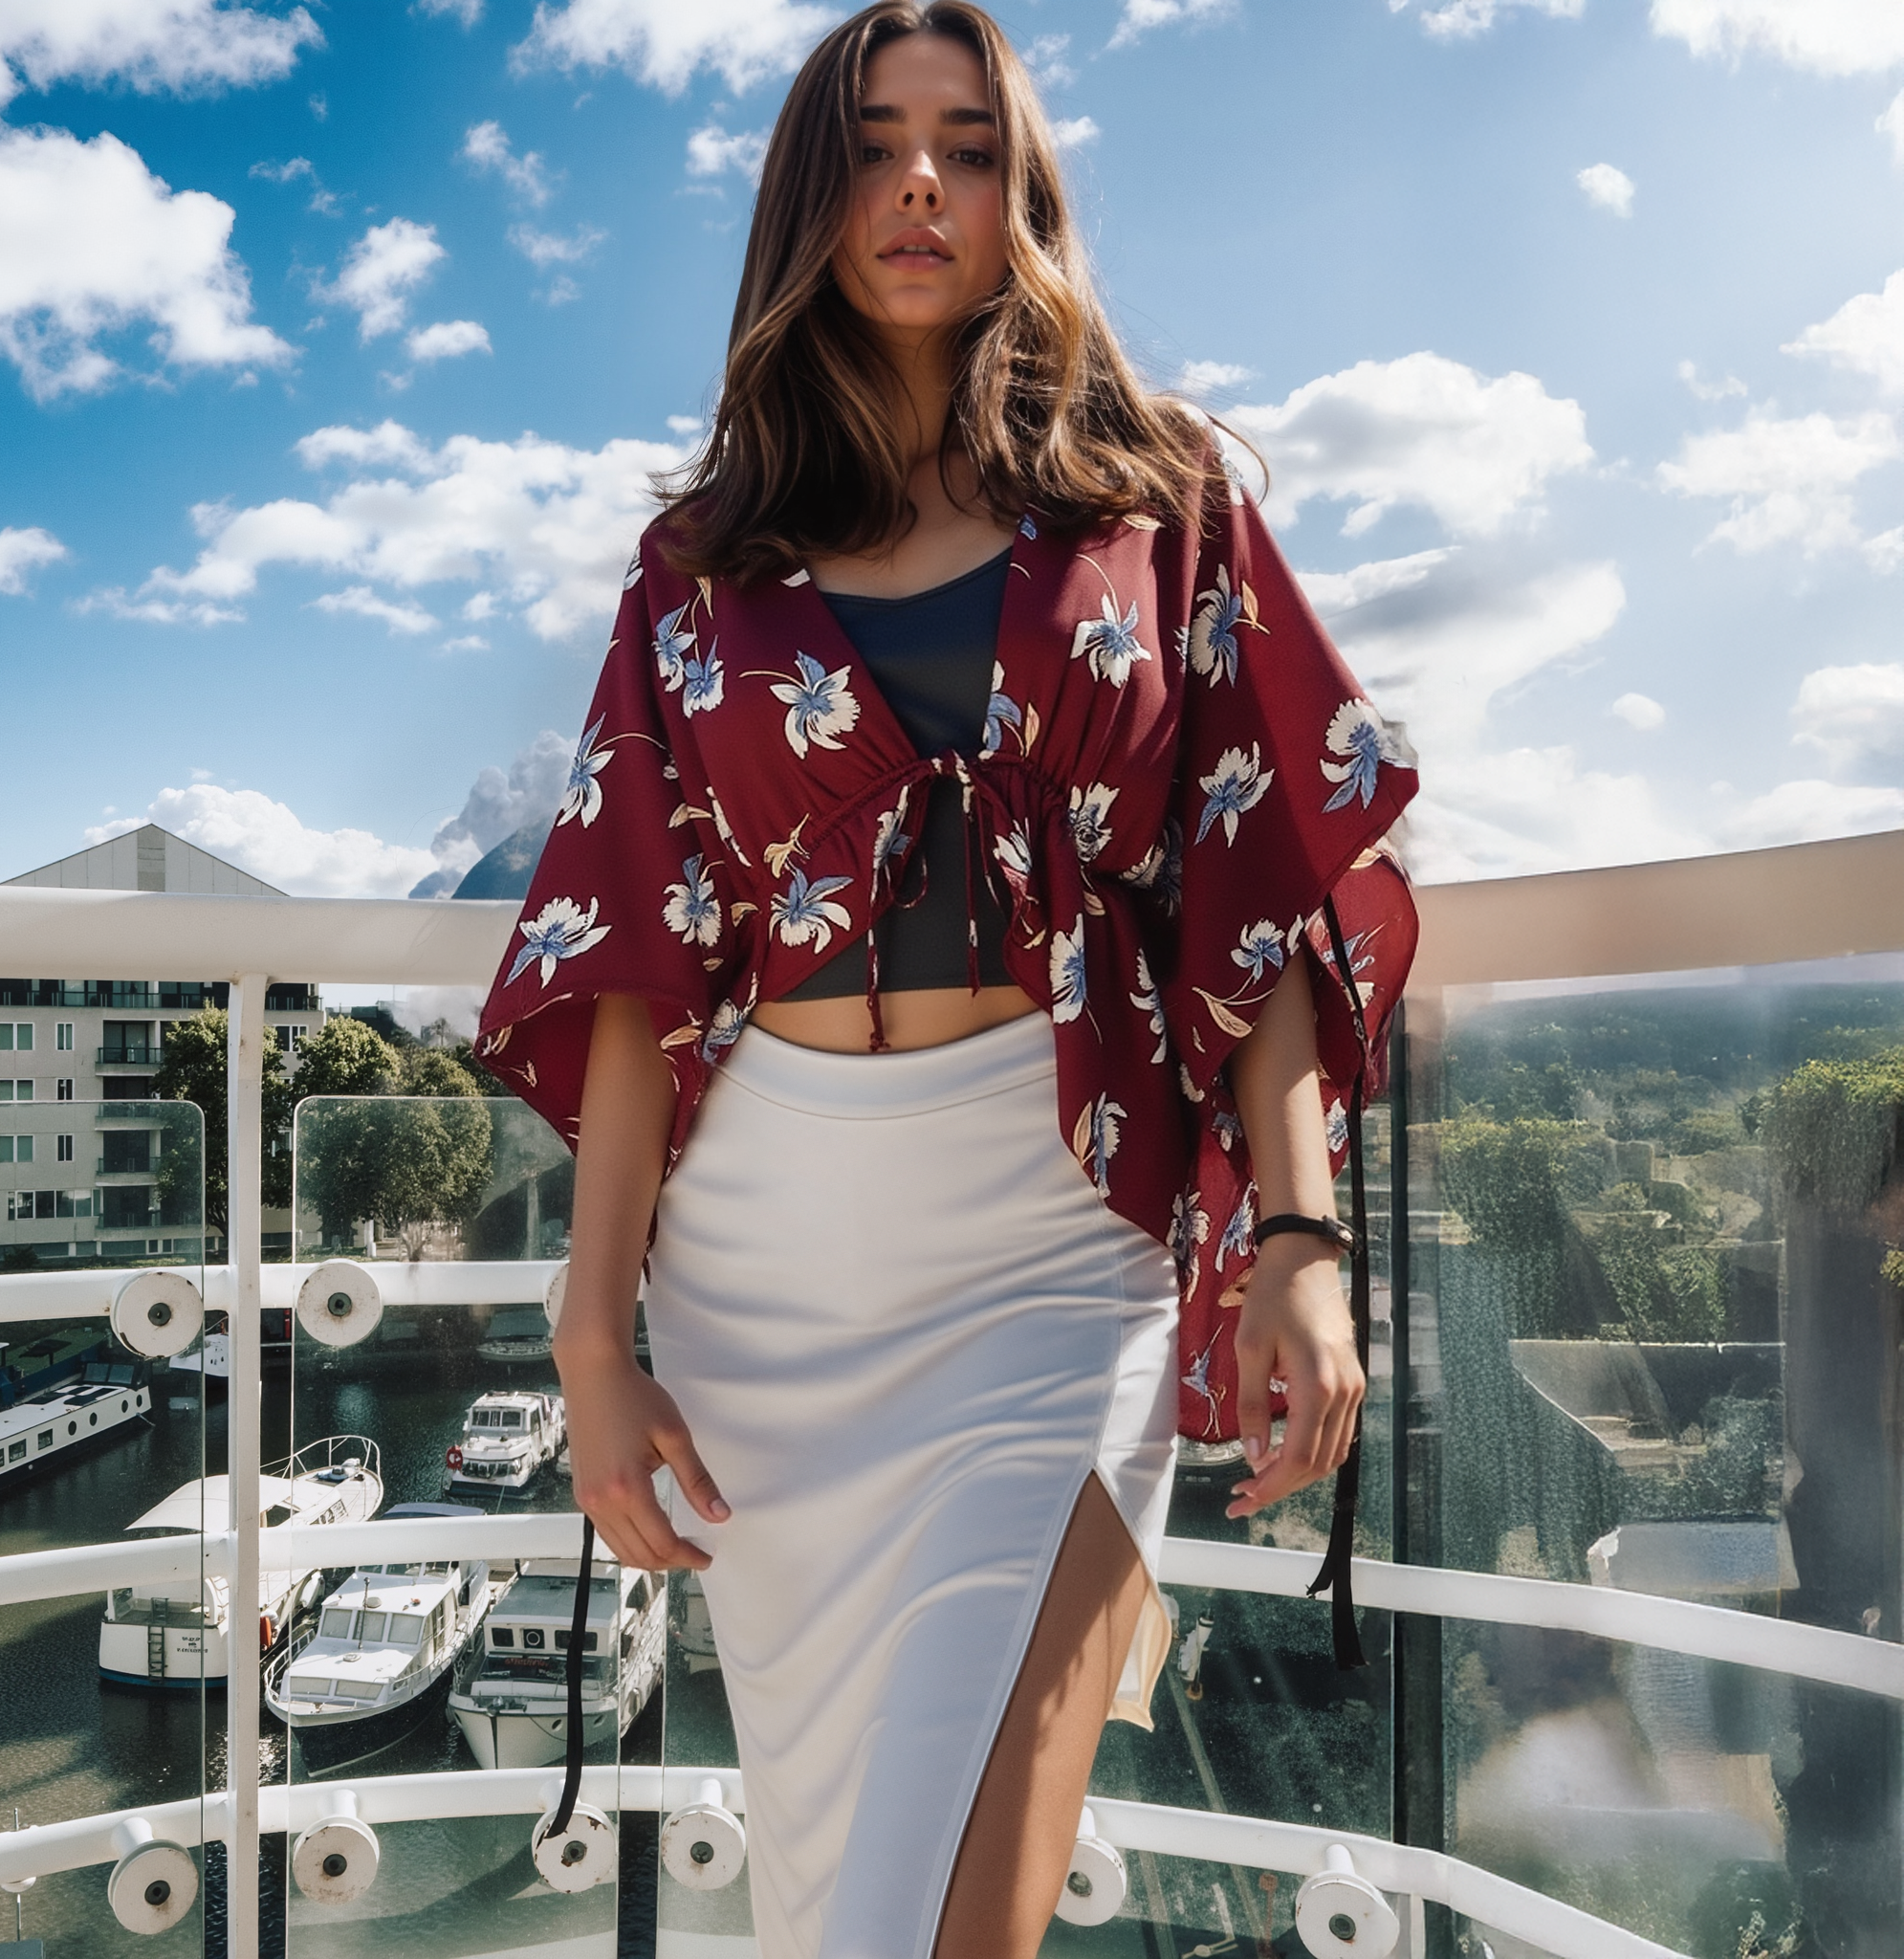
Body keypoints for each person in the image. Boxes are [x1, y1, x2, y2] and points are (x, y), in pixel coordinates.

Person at [475, 6, 1418, 1954]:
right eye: (875, 144)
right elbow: (637, 958)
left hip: (1052, 1239)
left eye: (968, 145)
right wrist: (591, 1338)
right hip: (762, 1268)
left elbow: (1254, 887)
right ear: (808, 200)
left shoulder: (1161, 503)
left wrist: (1302, 1237)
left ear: (1021, 194)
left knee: (945, 1908)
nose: (920, 183)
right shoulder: (697, 562)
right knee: (838, 1897)